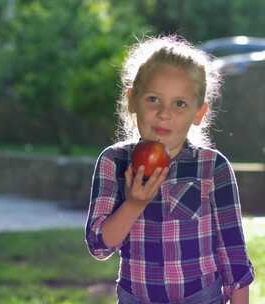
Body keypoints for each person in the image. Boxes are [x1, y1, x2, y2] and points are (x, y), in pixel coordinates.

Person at [85, 35, 254, 304]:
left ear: (199, 113)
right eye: (153, 99)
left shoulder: (213, 167)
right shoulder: (114, 162)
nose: (165, 113)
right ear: (132, 100)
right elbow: (99, 245)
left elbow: (232, 251)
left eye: (179, 104)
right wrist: (133, 204)